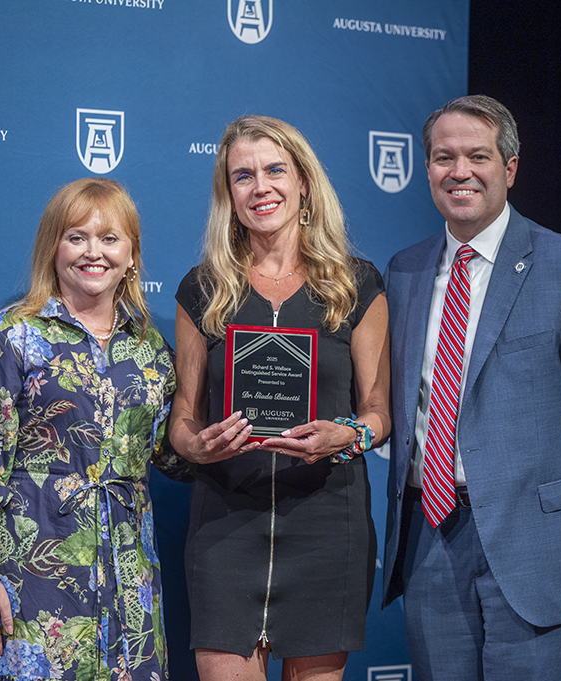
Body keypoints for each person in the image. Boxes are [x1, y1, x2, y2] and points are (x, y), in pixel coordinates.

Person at [381, 95, 561, 680]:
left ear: (510, 167)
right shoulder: (402, 272)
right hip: (430, 540)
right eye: (444, 157)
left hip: (539, 548)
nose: (460, 171)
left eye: (478, 156)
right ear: (426, 170)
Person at [0, 177, 183, 680]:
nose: (95, 252)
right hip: (29, 581)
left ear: (132, 256)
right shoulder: (6, 337)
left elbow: (172, 451)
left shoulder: (150, 349)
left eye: (110, 239)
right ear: (54, 248)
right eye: (77, 237)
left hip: (128, 579)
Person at [169, 115, 390, 681]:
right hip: (226, 526)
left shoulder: (356, 284)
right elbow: (182, 420)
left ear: (303, 185)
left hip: (325, 524)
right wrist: (199, 445)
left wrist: (348, 435)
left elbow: (379, 412)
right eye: (242, 176)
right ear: (229, 195)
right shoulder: (204, 288)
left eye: (274, 170)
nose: (260, 187)